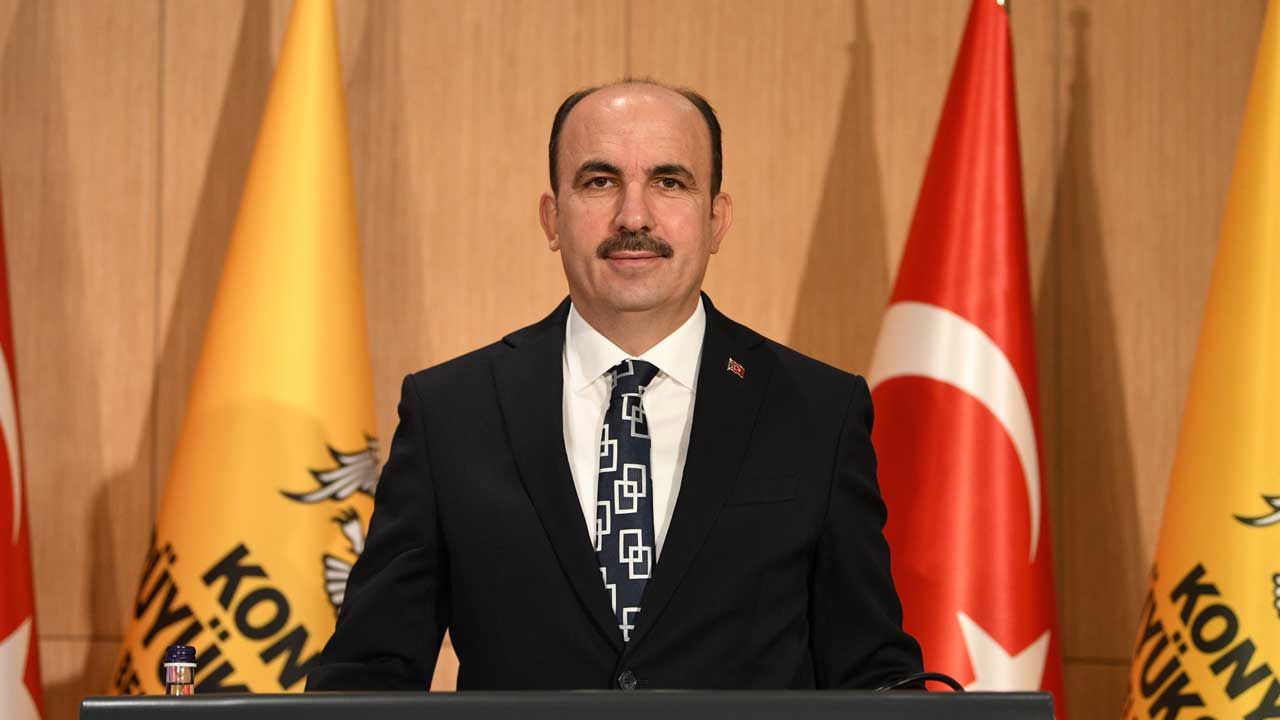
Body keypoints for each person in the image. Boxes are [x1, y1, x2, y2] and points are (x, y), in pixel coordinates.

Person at [306, 80, 923, 691]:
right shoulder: (451, 414)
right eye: (599, 182)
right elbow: (367, 674)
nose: (633, 216)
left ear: (715, 220)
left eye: (669, 182)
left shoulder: (818, 412)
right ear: (552, 218)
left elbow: (872, 677)